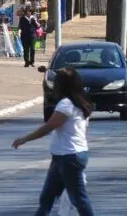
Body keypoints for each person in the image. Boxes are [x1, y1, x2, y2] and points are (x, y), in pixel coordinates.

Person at [13, 67, 94, 216]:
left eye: (56, 82)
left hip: (69, 157)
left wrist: (24, 139)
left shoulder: (66, 104)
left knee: (79, 200)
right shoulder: (81, 102)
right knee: (47, 198)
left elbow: (49, 127)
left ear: (61, 85)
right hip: (66, 156)